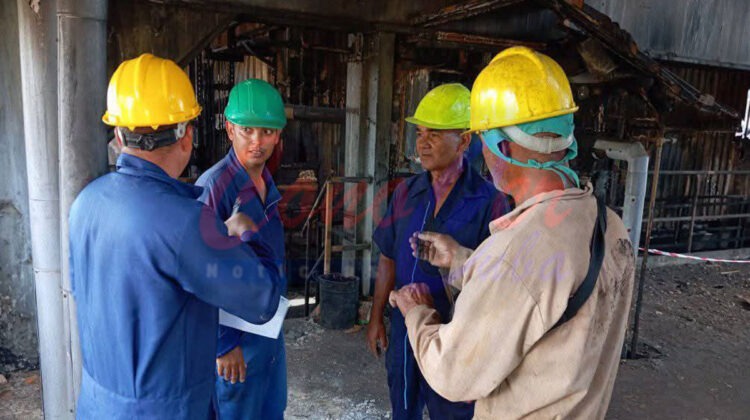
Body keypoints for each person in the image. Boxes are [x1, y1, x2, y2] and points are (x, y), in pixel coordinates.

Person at [390, 46, 636, 419]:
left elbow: (452, 374)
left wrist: (417, 313)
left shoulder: (515, 251)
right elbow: (542, 291)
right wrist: (461, 259)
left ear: (500, 146)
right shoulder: (608, 224)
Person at [69, 53, 282, 419]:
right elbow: (262, 299)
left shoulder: (85, 203)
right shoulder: (185, 221)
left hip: (98, 405)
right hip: (166, 409)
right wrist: (243, 235)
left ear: (118, 135)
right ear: (187, 135)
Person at [366, 83, 511, 420]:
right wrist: (376, 319)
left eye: (435, 133)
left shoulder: (491, 202)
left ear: (463, 141)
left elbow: (498, 279)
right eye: (420, 132)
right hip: (405, 329)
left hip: (457, 334)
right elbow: (387, 256)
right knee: (403, 408)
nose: (422, 142)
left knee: (453, 413)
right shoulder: (405, 193)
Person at [195, 79, 288, 420]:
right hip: (236, 340)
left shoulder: (266, 182)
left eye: (267, 131)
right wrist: (224, 343)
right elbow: (202, 273)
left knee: (271, 409)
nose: (257, 141)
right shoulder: (214, 188)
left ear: (278, 135)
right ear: (230, 128)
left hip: (267, 328)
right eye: (247, 129)